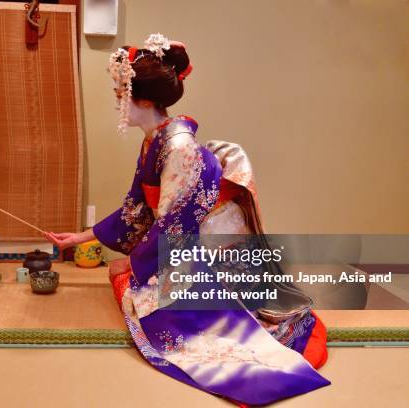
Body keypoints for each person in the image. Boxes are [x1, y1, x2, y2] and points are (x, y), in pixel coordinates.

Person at [45, 34, 329, 406]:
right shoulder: (154, 139)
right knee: (133, 286)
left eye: (120, 96)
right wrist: (80, 238)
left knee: (171, 320)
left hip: (205, 237)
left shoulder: (177, 147)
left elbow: (173, 226)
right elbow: (137, 209)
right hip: (179, 234)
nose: (118, 104)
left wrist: (134, 261)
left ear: (144, 100)